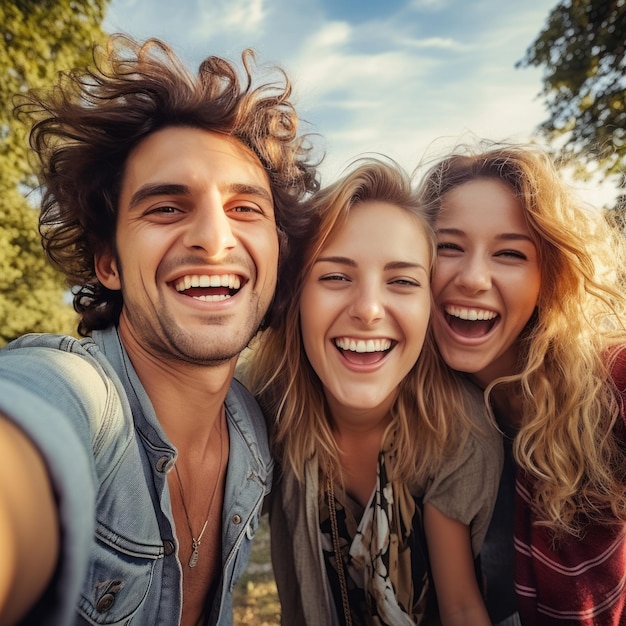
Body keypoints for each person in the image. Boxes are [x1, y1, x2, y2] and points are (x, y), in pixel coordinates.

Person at [0, 34, 318, 626]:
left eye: (246, 208)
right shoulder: (75, 391)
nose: (214, 239)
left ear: (278, 253)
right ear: (110, 262)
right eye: (166, 207)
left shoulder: (253, 430)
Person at [244, 158, 503, 625]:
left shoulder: (459, 432)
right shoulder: (261, 416)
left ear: (431, 304)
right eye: (335, 277)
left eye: (402, 281)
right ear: (295, 297)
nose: (367, 309)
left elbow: (461, 605)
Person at [417, 141, 626, 625]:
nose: (472, 278)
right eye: (448, 246)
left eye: (509, 253)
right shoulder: (417, 402)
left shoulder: (607, 381)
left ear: (548, 276)